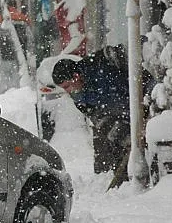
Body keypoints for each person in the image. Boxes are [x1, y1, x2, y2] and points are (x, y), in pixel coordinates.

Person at [51, 45, 144, 189]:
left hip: (139, 103)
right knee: (112, 141)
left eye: (67, 86)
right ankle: (124, 182)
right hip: (122, 115)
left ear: (76, 76)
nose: (67, 92)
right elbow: (97, 117)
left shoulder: (101, 68)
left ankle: (133, 180)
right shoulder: (79, 97)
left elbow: (123, 94)